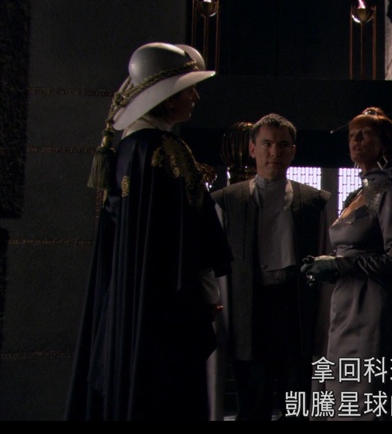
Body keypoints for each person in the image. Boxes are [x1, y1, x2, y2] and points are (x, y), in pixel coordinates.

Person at [65, 42, 232, 420]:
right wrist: (206, 294)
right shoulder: (166, 150)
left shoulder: (129, 149)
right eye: (189, 89)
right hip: (164, 307)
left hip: (130, 298)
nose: (195, 97)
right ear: (168, 99)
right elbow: (191, 232)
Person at [301, 106, 392, 421]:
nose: (356, 140)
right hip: (343, 303)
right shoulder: (357, 195)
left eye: (365, 134)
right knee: (340, 389)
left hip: (370, 304)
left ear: (383, 144)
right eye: (352, 135)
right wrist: (325, 266)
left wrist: (339, 266)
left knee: (364, 392)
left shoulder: (387, 193)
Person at [211, 113, 335, 421]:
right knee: (254, 401)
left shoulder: (314, 201)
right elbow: (216, 268)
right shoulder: (227, 201)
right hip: (250, 309)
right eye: (266, 144)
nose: (274, 153)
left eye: (283, 145)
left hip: (295, 309)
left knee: (298, 401)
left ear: (293, 151)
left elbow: (326, 263)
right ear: (252, 149)